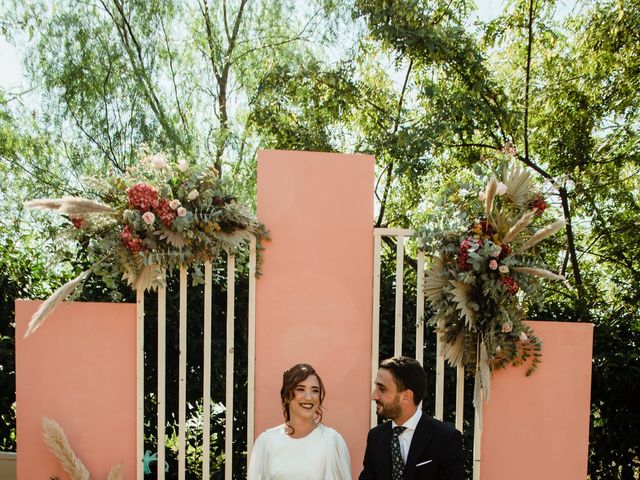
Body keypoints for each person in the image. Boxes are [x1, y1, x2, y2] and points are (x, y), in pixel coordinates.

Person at [360, 356, 465, 480]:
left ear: (406, 396)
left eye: (382, 389)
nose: (374, 395)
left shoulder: (446, 438)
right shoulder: (375, 437)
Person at [248, 363, 352, 480]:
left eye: (315, 390)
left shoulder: (332, 442)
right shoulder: (266, 442)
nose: (308, 397)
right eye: (300, 389)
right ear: (287, 395)